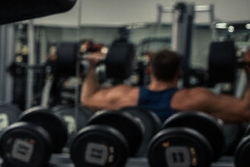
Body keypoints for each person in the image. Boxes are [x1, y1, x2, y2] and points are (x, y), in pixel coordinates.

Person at [80, 46, 250, 122]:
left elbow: (88, 98)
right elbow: (245, 110)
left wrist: (92, 67)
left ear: (149, 70)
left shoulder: (125, 96)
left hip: (135, 166)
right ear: (180, 73)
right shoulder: (195, 99)